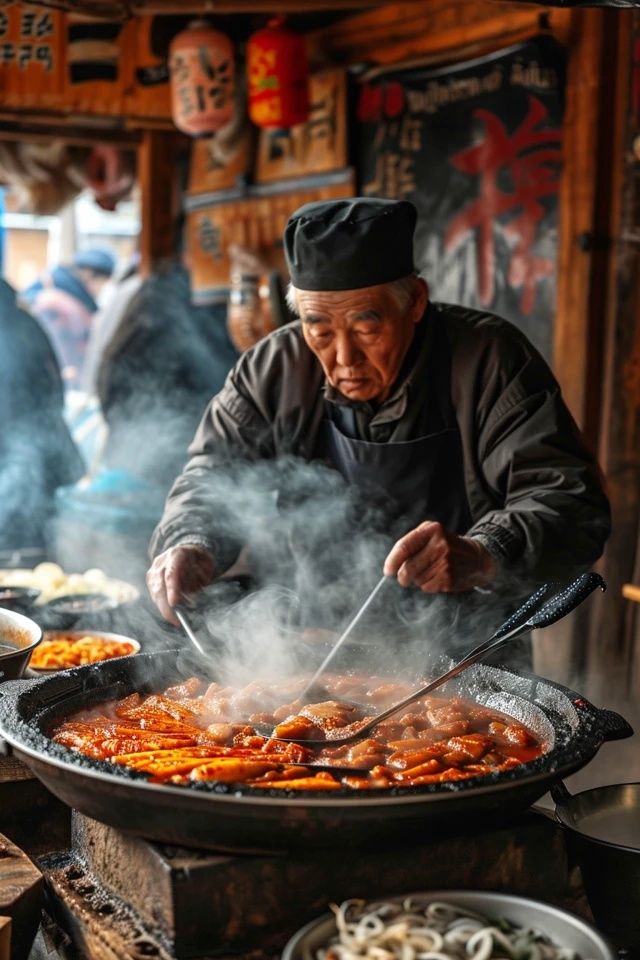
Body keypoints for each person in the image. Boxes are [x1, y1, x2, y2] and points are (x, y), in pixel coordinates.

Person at [146, 197, 610, 628]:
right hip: (312, 640)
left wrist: (486, 551)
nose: (345, 358)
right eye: (320, 330)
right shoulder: (273, 368)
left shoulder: (489, 360)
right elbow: (212, 475)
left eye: (367, 328)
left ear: (415, 302)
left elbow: (569, 501)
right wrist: (191, 542)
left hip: (466, 648)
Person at [0, 279, 83, 551]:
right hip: (38, 469)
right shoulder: (22, 319)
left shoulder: (12, 330)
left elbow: (18, 422)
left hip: (26, 475)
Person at [26, 247, 115, 388]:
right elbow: (58, 348)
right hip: (62, 384)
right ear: (89, 275)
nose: (101, 290)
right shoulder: (58, 304)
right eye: (103, 283)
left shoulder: (69, 299)